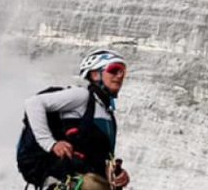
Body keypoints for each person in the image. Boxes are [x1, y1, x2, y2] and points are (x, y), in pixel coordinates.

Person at [18, 49, 131, 189]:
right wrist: (50, 143)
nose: (119, 76)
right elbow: (34, 103)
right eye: (114, 70)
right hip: (68, 178)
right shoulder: (82, 96)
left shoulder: (107, 114)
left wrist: (116, 173)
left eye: (123, 72)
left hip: (88, 177)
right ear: (95, 74)